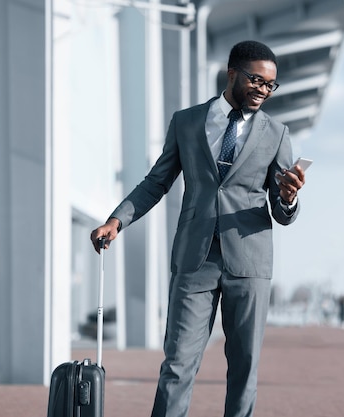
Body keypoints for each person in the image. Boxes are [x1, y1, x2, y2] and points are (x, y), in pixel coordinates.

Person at [90, 40, 306, 417]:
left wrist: (287, 197)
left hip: (250, 261)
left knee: (244, 367)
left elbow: (282, 211)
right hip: (195, 258)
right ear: (232, 73)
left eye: (270, 85)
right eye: (256, 80)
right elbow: (156, 182)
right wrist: (116, 220)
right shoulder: (187, 121)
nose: (263, 90)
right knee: (177, 363)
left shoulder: (277, 133)